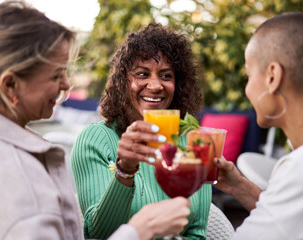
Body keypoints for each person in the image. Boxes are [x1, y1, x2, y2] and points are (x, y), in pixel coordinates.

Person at [0, 2, 191, 240]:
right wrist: (138, 231)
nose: (66, 85)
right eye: (56, 75)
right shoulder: (17, 175)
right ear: (10, 84)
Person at [71, 23, 212, 239]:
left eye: (166, 76)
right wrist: (124, 171)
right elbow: (100, 234)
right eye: (142, 74)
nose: (155, 86)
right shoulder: (96, 140)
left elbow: (196, 232)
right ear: (121, 82)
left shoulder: (194, 142)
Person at [213, 12, 303, 239]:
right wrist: (238, 186)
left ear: (273, 77)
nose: (247, 89)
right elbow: (293, 220)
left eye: (248, 74)